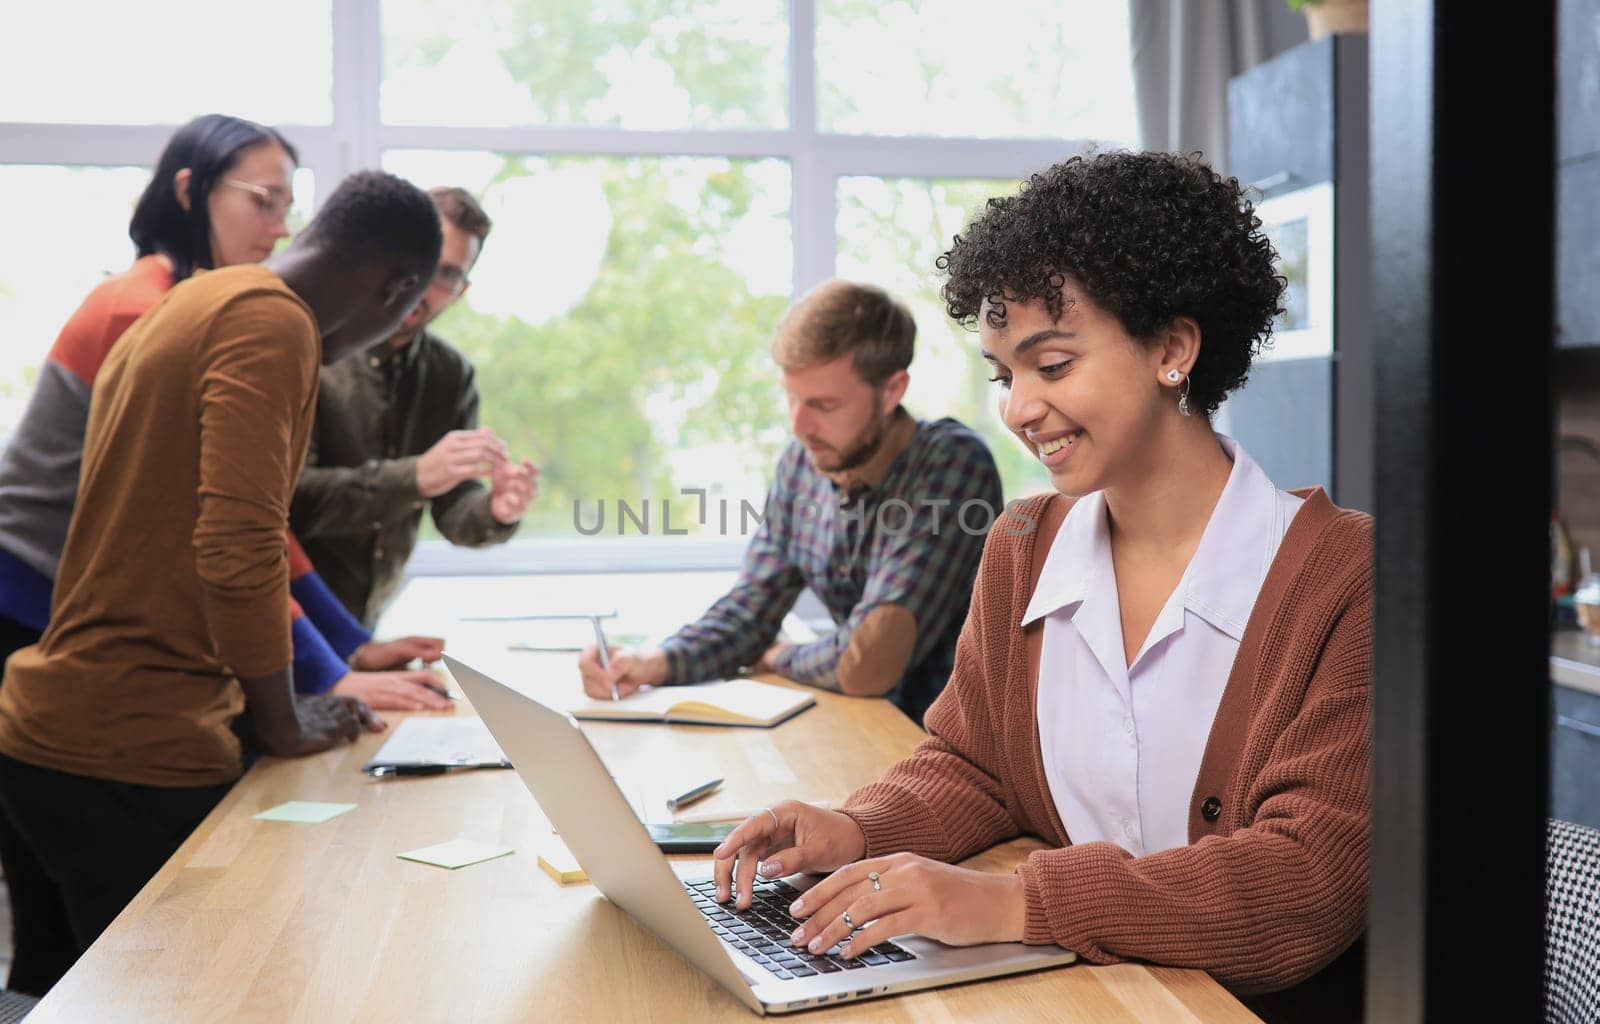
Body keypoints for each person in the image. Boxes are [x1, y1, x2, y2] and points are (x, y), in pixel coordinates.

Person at [709, 153, 1371, 1024]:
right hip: (1092, 998)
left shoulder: (1346, 577)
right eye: (1002, 374)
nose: (1019, 408)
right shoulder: (1023, 544)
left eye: (1050, 365)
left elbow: (1304, 882)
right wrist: (857, 829)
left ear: (1173, 349)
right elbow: (976, 768)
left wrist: (1017, 902)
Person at [0, 168, 444, 994]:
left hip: (51, 727)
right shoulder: (274, 327)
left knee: (57, 992)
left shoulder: (196, 301)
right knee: (220, 994)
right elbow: (240, 543)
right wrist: (283, 722)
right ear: (393, 288)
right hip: (133, 745)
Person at [0, 115, 453, 717]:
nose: (281, 229)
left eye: (289, 207)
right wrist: (323, 675)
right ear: (190, 192)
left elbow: (260, 519)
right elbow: (227, 532)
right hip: (32, 595)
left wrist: (348, 647)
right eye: (265, 203)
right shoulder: (155, 309)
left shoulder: (219, 307)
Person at [578, 280, 1003, 724]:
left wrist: (780, 655)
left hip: (952, 746)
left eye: (824, 404)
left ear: (892, 391)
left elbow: (868, 663)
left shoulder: (951, 464)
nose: (800, 425)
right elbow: (751, 610)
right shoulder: (804, 464)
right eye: (792, 398)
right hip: (862, 729)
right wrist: (651, 663)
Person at [291, 186, 538, 627]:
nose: (422, 284)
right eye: (421, 261)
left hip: (366, 627)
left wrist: (496, 511)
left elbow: (454, 507)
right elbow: (291, 503)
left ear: (460, 292)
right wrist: (418, 476)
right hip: (283, 622)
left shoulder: (451, 374)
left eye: (445, 274)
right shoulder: (310, 350)